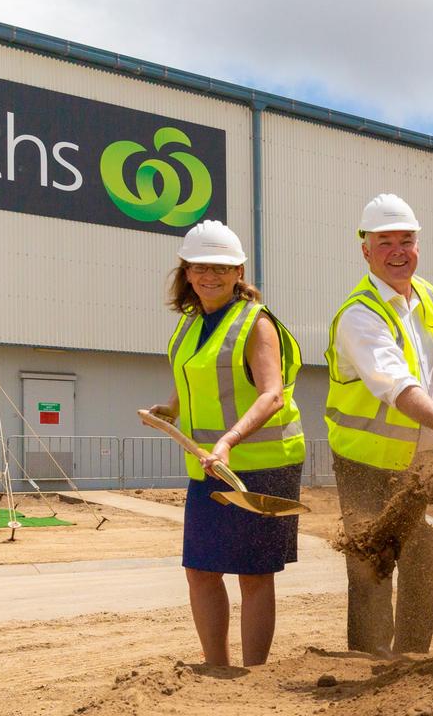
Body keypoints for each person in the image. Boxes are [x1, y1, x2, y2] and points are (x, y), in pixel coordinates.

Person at [148, 219, 306, 667]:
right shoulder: (189, 324)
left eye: (220, 268)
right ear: (186, 272)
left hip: (263, 463)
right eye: (200, 267)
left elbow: (271, 394)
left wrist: (229, 441)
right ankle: (216, 668)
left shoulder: (256, 324)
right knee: (200, 570)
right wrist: (172, 408)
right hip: (209, 466)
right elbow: (199, 375)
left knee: (254, 575)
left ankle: (253, 674)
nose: (209, 276)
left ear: (239, 271)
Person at [325, 193, 433, 657]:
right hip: (367, 464)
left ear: (418, 245)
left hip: (423, 460)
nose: (397, 250)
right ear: (365, 249)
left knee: (421, 570)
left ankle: (412, 667)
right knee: (371, 569)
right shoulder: (359, 314)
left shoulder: (424, 293)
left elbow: (430, 350)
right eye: (384, 241)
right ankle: (368, 667)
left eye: (406, 240)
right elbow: (396, 383)